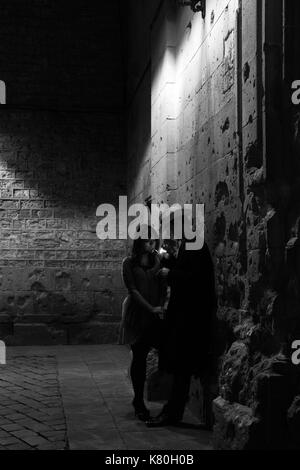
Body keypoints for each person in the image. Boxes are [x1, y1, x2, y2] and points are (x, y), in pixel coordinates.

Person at [147, 218, 217, 427]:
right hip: (185, 317)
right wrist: (169, 260)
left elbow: (196, 279)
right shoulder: (190, 244)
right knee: (180, 367)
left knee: (182, 366)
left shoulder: (194, 245)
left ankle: (173, 412)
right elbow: (188, 270)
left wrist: (171, 272)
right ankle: (172, 410)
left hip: (190, 319)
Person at [121, 230, 166, 421]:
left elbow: (163, 285)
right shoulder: (129, 263)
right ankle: (138, 400)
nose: (152, 245)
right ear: (140, 243)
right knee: (139, 356)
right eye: (148, 241)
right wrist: (150, 308)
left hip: (155, 313)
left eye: (154, 241)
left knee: (154, 351)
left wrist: (161, 306)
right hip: (138, 314)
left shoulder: (157, 260)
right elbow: (133, 290)